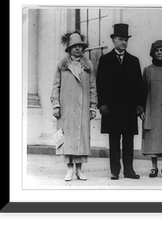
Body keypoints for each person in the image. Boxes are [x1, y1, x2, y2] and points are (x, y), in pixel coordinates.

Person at [96, 23, 144, 180]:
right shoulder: (105, 60)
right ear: (113, 40)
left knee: (129, 140)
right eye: (120, 39)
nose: (123, 42)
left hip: (129, 108)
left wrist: (140, 105)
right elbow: (100, 83)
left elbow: (139, 85)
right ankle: (115, 170)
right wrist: (102, 104)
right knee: (114, 140)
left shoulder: (133, 61)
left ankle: (129, 170)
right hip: (112, 108)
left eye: (126, 40)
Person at [51, 31, 97, 181]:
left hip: (83, 108)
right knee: (68, 138)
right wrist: (56, 105)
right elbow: (56, 86)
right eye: (74, 46)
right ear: (69, 48)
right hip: (67, 107)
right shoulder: (62, 66)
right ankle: (69, 170)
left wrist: (92, 106)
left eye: (80, 46)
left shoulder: (87, 66)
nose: (77, 49)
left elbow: (92, 88)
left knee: (81, 138)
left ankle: (79, 170)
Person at [142, 40, 162, 178]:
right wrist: (142, 109)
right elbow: (143, 90)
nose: (159, 53)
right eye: (157, 50)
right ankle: (154, 167)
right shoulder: (148, 70)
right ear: (153, 53)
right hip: (151, 109)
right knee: (153, 137)